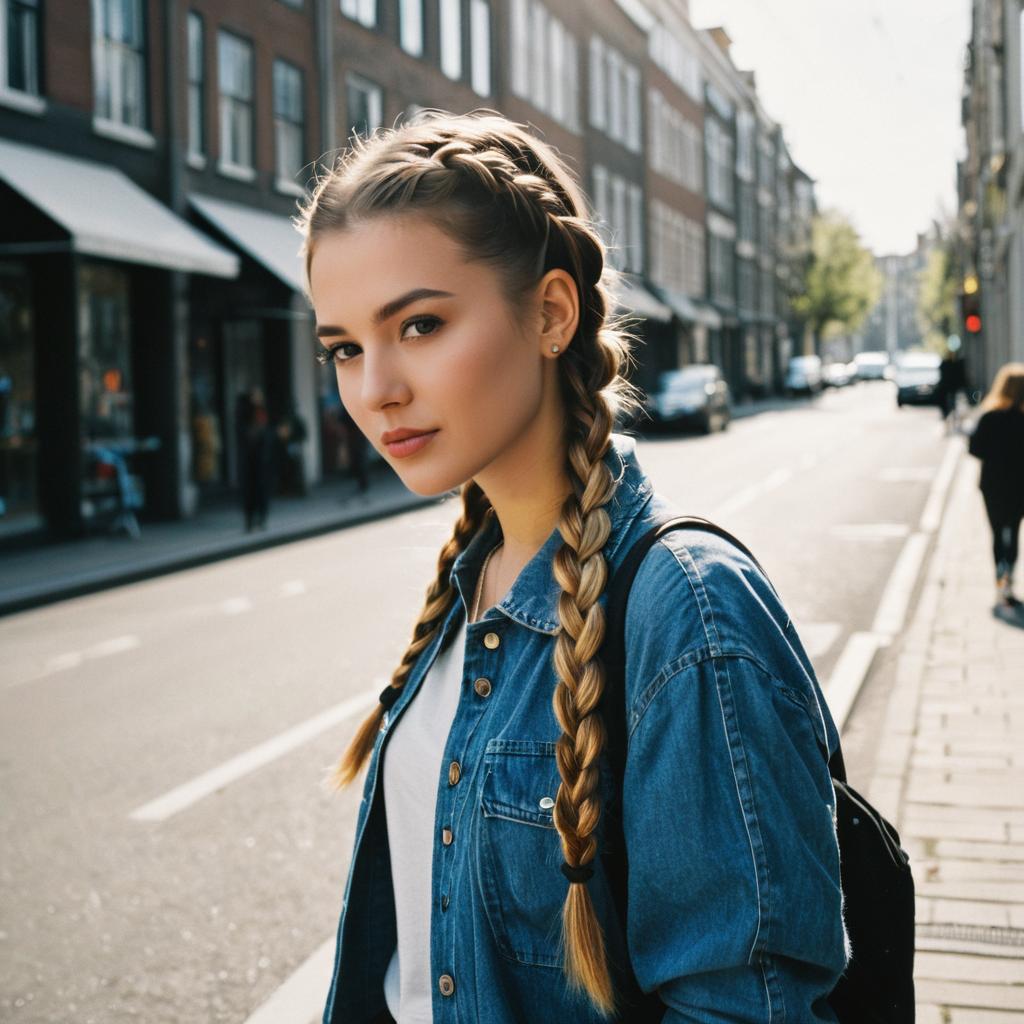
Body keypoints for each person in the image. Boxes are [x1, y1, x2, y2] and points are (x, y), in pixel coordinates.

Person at [298, 112, 847, 1024]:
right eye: (345, 348)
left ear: (551, 313)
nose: (374, 388)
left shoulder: (689, 611)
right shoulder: (470, 583)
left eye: (422, 325)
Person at [967, 362, 1024, 608]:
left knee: (997, 534)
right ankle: (1008, 579)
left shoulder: (989, 417)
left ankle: (1000, 582)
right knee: (1014, 531)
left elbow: (974, 449)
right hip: (1019, 485)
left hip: (992, 485)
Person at [239, 387, 273, 531]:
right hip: (249, 460)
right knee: (249, 491)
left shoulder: (263, 413)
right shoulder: (245, 415)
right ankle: (249, 520)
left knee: (261, 490)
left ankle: (261, 518)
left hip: (261, 460)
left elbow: (267, 435)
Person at [937, 348, 969, 434]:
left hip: (951, 389)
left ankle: (953, 425)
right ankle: (951, 425)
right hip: (949, 389)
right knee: (950, 407)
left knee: (953, 407)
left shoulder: (951, 364)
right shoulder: (952, 364)